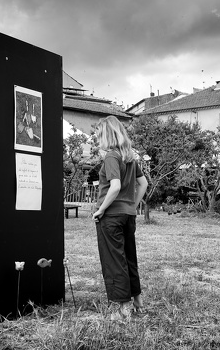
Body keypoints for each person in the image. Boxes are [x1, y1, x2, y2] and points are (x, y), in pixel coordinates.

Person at [92, 115, 148, 320]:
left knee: (115, 260)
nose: (98, 140)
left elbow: (114, 186)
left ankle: (125, 307)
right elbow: (143, 184)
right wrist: (132, 205)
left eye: (99, 135)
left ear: (106, 134)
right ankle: (138, 302)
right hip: (128, 215)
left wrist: (101, 210)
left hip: (112, 216)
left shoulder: (111, 156)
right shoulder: (129, 156)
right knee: (129, 258)